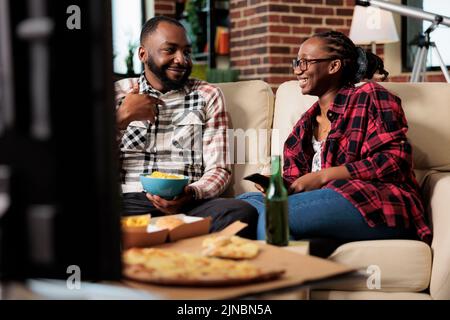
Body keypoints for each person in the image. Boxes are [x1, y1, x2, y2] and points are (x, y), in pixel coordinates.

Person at [237, 31, 432, 244]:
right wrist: (280, 186)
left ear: (334, 66)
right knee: (244, 204)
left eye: (305, 62)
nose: (297, 69)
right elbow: (298, 182)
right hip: (322, 204)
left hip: (375, 203)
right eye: (296, 62)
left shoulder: (369, 96)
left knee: (276, 212)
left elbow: (395, 160)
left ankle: (280, 269)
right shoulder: (302, 128)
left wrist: (323, 176)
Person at [115, 16, 257, 238]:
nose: (181, 60)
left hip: (187, 205)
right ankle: (171, 239)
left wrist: (191, 193)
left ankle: (149, 239)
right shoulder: (118, 93)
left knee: (240, 211)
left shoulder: (207, 95)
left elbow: (219, 169)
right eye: (170, 50)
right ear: (143, 54)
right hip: (129, 203)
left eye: (186, 52)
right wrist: (121, 118)